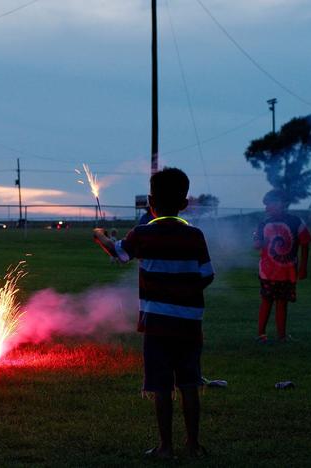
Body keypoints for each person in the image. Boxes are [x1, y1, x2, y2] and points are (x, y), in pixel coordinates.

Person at [93, 168, 214, 459]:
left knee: (161, 386)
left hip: (157, 326)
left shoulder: (143, 234)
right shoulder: (195, 235)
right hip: (189, 325)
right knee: (189, 383)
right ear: (185, 203)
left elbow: (117, 253)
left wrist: (99, 235)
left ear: (150, 201)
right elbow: (207, 275)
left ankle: (165, 446)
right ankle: (193, 445)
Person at [254, 189, 311, 343]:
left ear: (281, 203)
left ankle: (281, 336)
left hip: (287, 272)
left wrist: (303, 267)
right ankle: (261, 334)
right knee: (267, 301)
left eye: (269, 204)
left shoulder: (296, 222)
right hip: (268, 272)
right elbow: (256, 244)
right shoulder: (264, 224)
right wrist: (261, 242)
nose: (266, 209)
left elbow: (305, 244)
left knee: (282, 303)